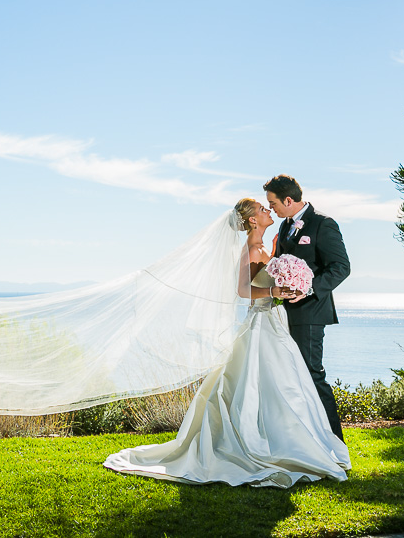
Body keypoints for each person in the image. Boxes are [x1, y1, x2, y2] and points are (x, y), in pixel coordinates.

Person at [102, 197, 350, 487]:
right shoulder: (251, 249)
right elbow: (244, 290)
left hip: (274, 321)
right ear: (253, 220)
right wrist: (276, 290)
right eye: (262, 208)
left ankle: (287, 439)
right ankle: (258, 443)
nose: (268, 210)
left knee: (280, 385)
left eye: (269, 205)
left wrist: (286, 285)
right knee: (262, 383)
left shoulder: (270, 244)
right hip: (261, 323)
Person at [265, 174, 349, 442]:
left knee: (313, 375)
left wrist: (307, 288)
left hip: (311, 312)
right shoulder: (284, 228)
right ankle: (305, 438)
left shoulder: (323, 224)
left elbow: (341, 267)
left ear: (288, 200)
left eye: (274, 203)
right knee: (292, 377)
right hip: (283, 313)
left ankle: (334, 442)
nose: (272, 209)